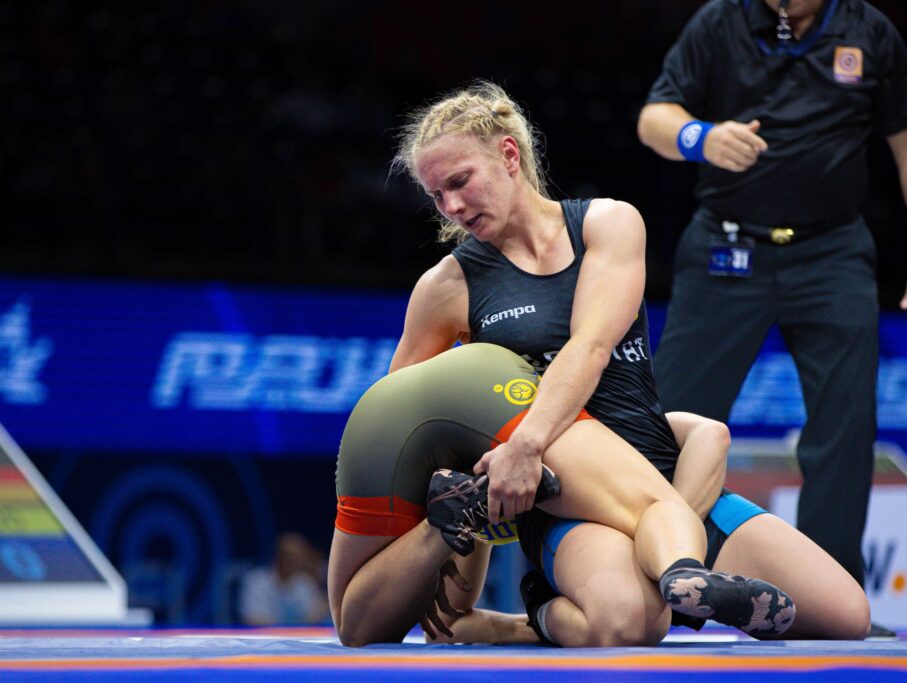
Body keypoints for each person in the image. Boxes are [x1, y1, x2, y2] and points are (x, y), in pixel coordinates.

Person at [380, 80, 867, 646]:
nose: (453, 208)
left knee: (845, 616)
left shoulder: (608, 224)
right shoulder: (447, 286)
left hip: (662, 484)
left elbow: (589, 346)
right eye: (438, 196)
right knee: (625, 623)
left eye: (460, 182)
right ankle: (542, 612)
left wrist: (525, 443)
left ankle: (676, 572)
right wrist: (436, 552)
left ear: (509, 154)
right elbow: (400, 422)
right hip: (566, 503)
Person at [636, 0, 907, 632]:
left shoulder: (869, 30)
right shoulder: (719, 22)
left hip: (831, 253)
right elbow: (654, 119)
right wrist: (701, 136)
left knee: (844, 428)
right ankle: (649, 582)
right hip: (727, 251)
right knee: (663, 425)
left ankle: (829, 599)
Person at [328, 342, 796, 646]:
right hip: (483, 400)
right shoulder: (602, 440)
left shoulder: (595, 457)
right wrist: (666, 552)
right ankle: (681, 572)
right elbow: (700, 449)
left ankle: (445, 524)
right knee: (656, 522)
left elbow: (452, 625)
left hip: (386, 426)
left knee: (356, 626)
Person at [239, 531, 330, 626]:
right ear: (282, 557)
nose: (302, 561)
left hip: (297, 638)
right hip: (266, 638)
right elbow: (251, 620)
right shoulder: (256, 581)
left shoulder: (304, 582)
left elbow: (313, 616)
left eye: (302, 557)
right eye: (295, 557)